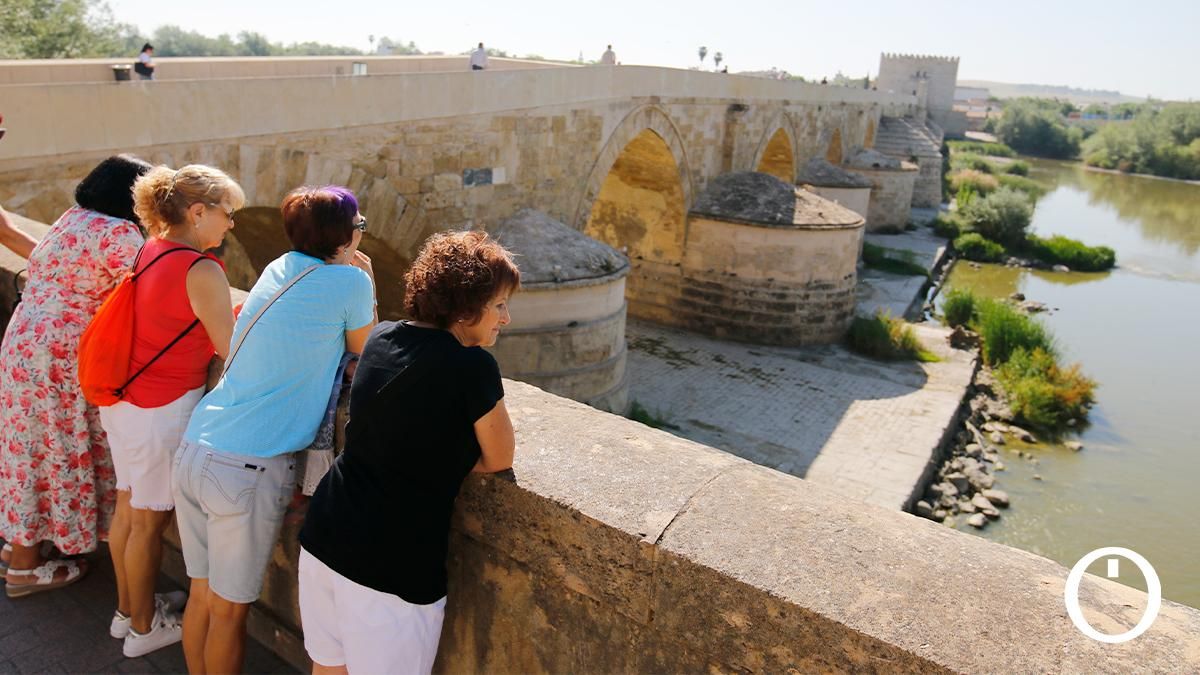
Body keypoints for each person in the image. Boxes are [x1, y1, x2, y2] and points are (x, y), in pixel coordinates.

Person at [172, 185, 377, 674]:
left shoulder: (279, 267)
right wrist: (366, 281)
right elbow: (370, 353)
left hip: (198, 444)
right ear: (346, 234)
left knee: (201, 594)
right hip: (246, 468)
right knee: (228, 613)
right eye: (359, 226)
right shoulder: (349, 282)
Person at [299, 230, 518, 674]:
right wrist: (446, 453)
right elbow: (498, 458)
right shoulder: (473, 367)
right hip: (390, 565)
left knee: (327, 669)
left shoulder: (381, 337)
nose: (506, 319)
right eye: (498, 305)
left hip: (325, 534)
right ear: (465, 306)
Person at [98, 165, 243, 657]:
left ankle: (127, 612)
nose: (231, 224)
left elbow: (173, 316)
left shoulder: (151, 248)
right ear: (198, 212)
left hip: (125, 401)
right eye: (227, 213)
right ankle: (144, 631)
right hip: (161, 408)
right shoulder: (202, 268)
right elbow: (229, 350)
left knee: (128, 508)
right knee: (148, 524)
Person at [0, 154, 152, 596]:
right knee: (56, 452)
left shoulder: (73, 219)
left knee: (27, 451)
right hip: (59, 358)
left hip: (25, 344)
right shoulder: (120, 234)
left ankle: (19, 547)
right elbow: (153, 287)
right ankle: (25, 568)